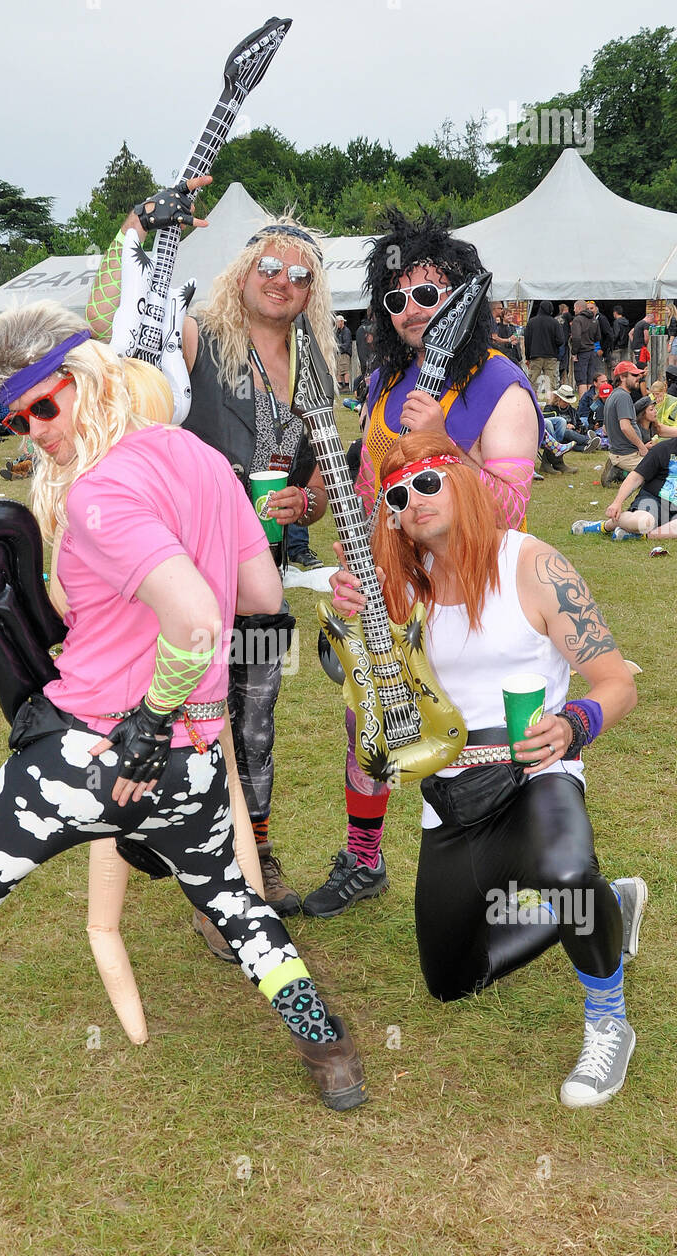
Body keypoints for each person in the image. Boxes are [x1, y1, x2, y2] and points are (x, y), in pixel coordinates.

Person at [0, 301, 367, 1170]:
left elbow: (194, 617)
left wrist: (146, 725)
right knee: (236, 907)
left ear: (89, 382)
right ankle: (331, 1051)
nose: (32, 432)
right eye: (16, 419)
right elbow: (261, 598)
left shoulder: (103, 491)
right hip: (188, 767)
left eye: (45, 407)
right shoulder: (202, 462)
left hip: (88, 753)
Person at [330, 427, 645, 1107]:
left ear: (463, 480)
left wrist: (573, 724)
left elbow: (617, 683)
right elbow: (372, 698)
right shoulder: (400, 589)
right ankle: (608, 903)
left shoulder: (532, 565)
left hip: (537, 775)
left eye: (427, 481)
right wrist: (356, 627)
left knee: (564, 875)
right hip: (452, 796)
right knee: (450, 978)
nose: (413, 500)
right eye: (396, 494)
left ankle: (608, 1019)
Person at [89, 178, 336, 918]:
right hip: (185, 572)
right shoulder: (196, 335)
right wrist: (134, 230)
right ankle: (208, 870)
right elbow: (113, 323)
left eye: (301, 275)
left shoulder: (320, 365)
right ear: (242, 272)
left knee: (256, 722)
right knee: (194, 720)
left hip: (260, 576)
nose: (283, 281)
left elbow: (321, 480)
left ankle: (255, 848)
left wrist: (308, 502)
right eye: (270, 265)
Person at [303, 207, 543, 918]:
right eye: (396, 297)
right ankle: (364, 858)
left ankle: (540, 883)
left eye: (429, 294)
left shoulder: (498, 385)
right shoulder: (384, 383)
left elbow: (507, 509)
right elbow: (372, 489)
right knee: (369, 721)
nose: (411, 310)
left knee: (479, 749)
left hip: (477, 596)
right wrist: (357, 543)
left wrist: (446, 441)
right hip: (394, 597)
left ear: (463, 297)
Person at [572, 434, 677, 545]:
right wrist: (617, 502)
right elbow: (636, 477)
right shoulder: (664, 449)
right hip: (654, 502)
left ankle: (642, 536)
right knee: (643, 522)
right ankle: (605, 526)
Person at [602, 361, 648, 485]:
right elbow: (625, 427)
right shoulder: (623, 397)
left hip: (621, 452)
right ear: (622, 377)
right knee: (661, 475)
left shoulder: (613, 395)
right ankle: (621, 471)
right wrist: (642, 447)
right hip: (627, 455)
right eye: (634, 375)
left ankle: (618, 466)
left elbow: (605, 429)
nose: (638, 378)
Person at [523, 300, 562, 391]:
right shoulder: (554, 323)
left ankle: (532, 402)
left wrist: (528, 357)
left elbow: (527, 341)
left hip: (535, 356)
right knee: (551, 383)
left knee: (532, 381)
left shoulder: (531, 322)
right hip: (551, 356)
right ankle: (550, 403)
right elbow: (560, 340)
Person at [570, 300, 599, 392]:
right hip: (592, 351)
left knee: (581, 379)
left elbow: (576, 338)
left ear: (579, 308)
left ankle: (582, 403)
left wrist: (574, 352)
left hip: (581, 352)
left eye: (574, 308)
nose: (574, 310)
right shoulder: (594, 320)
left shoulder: (577, 320)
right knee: (590, 378)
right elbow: (598, 337)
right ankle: (590, 402)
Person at [335, 315, 353, 391]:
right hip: (339, 353)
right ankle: (340, 386)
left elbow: (346, 344)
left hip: (344, 353)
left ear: (342, 322)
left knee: (345, 370)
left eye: (337, 322)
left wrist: (338, 348)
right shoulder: (338, 331)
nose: (336, 324)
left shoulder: (346, 331)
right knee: (338, 370)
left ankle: (346, 386)